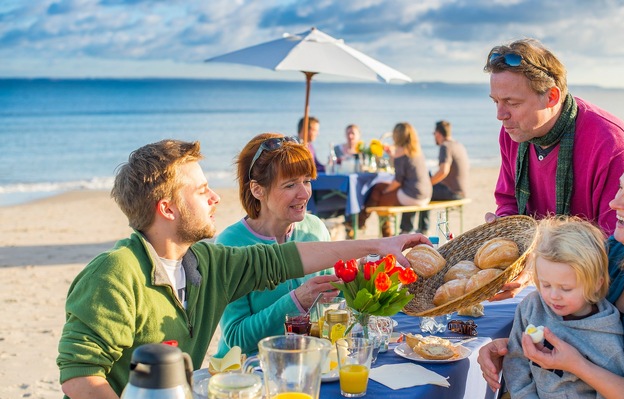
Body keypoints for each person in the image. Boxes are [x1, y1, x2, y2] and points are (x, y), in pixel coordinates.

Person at [56, 139, 429, 399]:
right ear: (167, 209)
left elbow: (285, 259)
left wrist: (381, 245)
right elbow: (79, 376)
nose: (216, 197)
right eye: (202, 192)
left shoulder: (206, 262)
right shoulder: (115, 273)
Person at [479, 142, 624, 399]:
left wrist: (578, 366)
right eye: (620, 189)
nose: (614, 203)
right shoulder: (612, 254)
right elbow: (565, 324)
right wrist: (509, 348)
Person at [484, 38, 624, 236]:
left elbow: (619, 239)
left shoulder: (611, 143)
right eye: (495, 101)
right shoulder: (513, 132)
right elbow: (508, 201)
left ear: (552, 97)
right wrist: (505, 225)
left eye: (512, 103)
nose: (500, 115)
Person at [214, 133, 339, 356]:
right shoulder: (229, 244)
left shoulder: (316, 228)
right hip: (249, 371)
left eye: (307, 181)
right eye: (290, 185)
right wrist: (296, 301)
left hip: (307, 362)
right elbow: (235, 338)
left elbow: (333, 301)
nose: (304, 193)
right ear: (257, 190)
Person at [503, 216, 624, 398]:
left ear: (596, 283)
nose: (553, 295)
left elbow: (609, 392)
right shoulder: (532, 307)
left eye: (566, 288)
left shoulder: (606, 338)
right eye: (545, 284)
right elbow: (516, 360)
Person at [358, 122, 432, 236]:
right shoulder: (416, 150)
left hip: (412, 196)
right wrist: (392, 155)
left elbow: (397, 181)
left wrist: (386, 191)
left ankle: (362, 221)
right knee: (379, 189)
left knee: (378, 194)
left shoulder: (400, 152)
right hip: (426, 195)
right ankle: (364, 222)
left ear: (397, 136)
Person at [414, 120, 470, 234]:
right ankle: (422, 227)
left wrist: (427, 184)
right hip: (461, 191)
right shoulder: (458, 145)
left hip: (452, 192)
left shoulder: (445, 146)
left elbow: (444, 171)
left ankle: (421, 228)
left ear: (438, 134)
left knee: (422, 192)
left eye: (434, 134)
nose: (434, 136)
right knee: (427, 183)